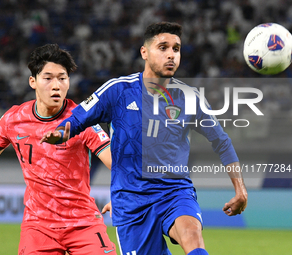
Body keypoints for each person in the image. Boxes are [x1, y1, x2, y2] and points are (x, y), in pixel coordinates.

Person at [41, 22, 248, 255]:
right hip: (131, 202)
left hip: (175, 192)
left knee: (192, 237)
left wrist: (240, 189)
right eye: (163, 47)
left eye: (176, 49)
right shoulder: (118, 90)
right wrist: (60, 131)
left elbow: (221, 141)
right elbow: (77, 118)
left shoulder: (190, 98)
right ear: (144, 52)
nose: (171, 55)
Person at [0, 44, 116, 255]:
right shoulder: (13, 120)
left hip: (82, 222)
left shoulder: (82, 119)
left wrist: (123, 192)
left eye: (62, 78)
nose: (56, 85)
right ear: (33, 81)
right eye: (48, 78)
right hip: (38, 226)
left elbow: (116, 161)